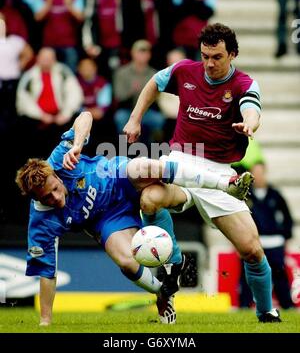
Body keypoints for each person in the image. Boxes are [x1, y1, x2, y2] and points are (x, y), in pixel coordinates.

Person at [15, 111, 252, 326]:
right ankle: (164, 292)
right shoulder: (41, 223)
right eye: (47, 197)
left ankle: (225, 184)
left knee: (143, 166)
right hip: (108, 219)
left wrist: (77, 145)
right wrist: (45, 322)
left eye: (56, 188)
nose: (56, 197)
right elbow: (47, 273)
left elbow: (85, 116)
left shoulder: (60, 160)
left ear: (56, 175)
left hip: (117, 177)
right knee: (127, 262)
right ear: (35, 198)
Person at [124, 23, 281, 323]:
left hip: (219, 171)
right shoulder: (185, 71)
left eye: (217, 57)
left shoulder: (244, 84)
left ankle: (266, 312)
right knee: (149, 199)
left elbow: (252, 109)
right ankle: (173, 262)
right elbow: (154, 83)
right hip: (182, 161)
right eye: (205, 56)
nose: (209, 63)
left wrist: (250, 124)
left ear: (232, 54)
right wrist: (135, 120)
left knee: (252, 250)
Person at [240, 162, 295, 309]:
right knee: (248, 275)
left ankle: (287, 305)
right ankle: (244, 305)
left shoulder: (275, 195)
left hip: (275, 242)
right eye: (254, 173)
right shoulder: (245, 195)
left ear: (265, 173)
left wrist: (285, 236)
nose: (258, 176)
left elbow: (287, 217)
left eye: (260, 172)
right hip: (253, 242)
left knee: (279, 275)